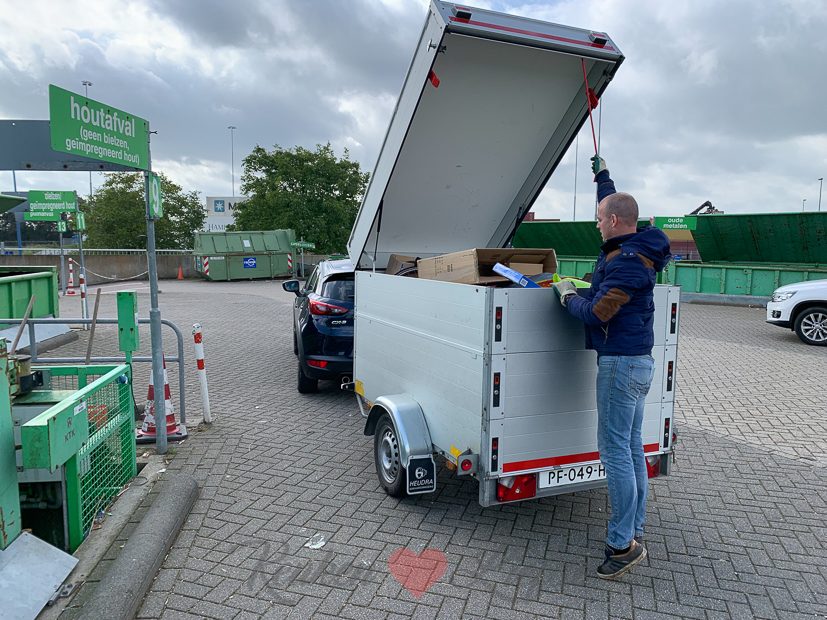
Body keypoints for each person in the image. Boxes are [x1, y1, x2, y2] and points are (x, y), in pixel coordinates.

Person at [552, 155, 671, 580]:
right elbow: (612, 201)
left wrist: (567, 297)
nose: (596, 224)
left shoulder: (624, 262)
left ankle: (622, 545)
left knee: (615, 452)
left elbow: (600, 312)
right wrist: (602, 177)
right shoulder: (637, 245)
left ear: (616, 220)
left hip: (620, 366)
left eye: (600, 219)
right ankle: (633, 529)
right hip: (637, 363)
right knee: (632, 446)